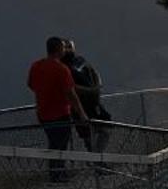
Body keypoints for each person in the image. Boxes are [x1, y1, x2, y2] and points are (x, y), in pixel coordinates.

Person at [27, 35, 86, 168]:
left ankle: (56, 172)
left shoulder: (36, 66)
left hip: (42, 113)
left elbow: (30, 84)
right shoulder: (62, 70)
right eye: (64, 47)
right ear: (59, 49)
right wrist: (81, 113)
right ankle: (57, 173)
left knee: (53, 142)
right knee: (60, 145)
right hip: (60, 114)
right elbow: (71, 94)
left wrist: (44, 92)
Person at [61, 41, 109, 150]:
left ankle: (97, 157)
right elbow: (70, 87)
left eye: (70, 46)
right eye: (66, 47)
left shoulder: (80, 60)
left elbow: (94, 71)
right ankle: (96, 160)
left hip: (94, 103)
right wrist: (90, 90)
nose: (68, 49)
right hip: (79, 107)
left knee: (106, 128)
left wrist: (97, 86)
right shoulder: (63, 67)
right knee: (87, 136)